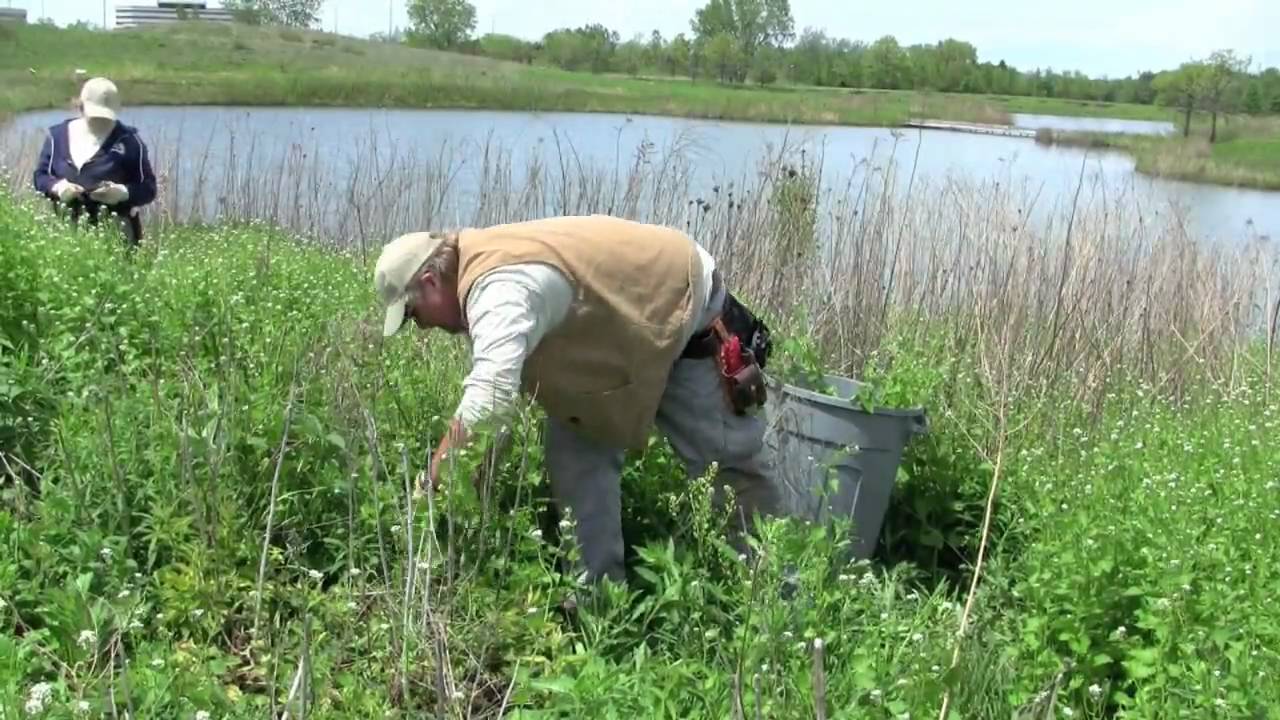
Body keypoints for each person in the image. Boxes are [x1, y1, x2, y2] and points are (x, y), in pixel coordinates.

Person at [374, 214, 781, 584]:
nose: (422, 328)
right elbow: (492, 416)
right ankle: (601, 609)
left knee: (727, 467)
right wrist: (474, 483)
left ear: (430, 281)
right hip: (609, 338)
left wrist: (433, 485)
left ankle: (773, 598)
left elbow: (489, 398)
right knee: (575, 461)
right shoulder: (478, 275)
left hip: (675, 303)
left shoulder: (500, 289)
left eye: (413, 315)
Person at [32, 76, 157, 247]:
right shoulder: (57, 137)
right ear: (81, 107)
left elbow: (148, 188)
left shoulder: (130, 142)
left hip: (115, 238)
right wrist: (59, 188)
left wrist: (122, 193)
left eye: (106, 117)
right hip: (63, 236)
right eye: (95, 116)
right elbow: (41, 177)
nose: (101, 122)